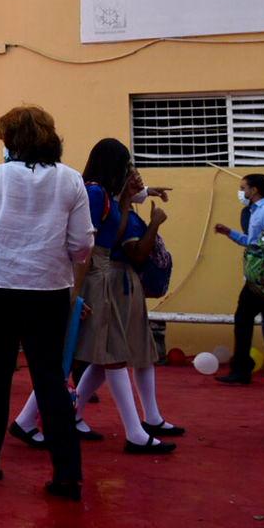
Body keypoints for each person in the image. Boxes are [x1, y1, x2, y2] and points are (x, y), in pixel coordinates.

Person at [0, 107, 92, 501]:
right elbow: (82, 244)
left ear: (12, 141)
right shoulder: (71, 179)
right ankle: (67, 473)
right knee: (50, 378)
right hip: (47, 287)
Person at [68, 139, 177, 453]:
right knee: (105, 355)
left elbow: (108, 232)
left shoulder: (105, 195)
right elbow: (87, 243)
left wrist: (134, 197)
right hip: (96, 274)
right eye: (126, 165)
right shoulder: (94, 193)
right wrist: (75, 291)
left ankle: (34, 418)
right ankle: (136, 432)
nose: (132, 172)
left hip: (99, 273)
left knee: (99, 357)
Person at [213, 174, 264, 385]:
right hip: (260, 278)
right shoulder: (258, 212)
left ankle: (242, 369)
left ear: (254, 190)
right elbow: (254, 242)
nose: (241, 192)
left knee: (244, 319)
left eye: (243, 188)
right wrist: (230, 233)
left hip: (261, 279)